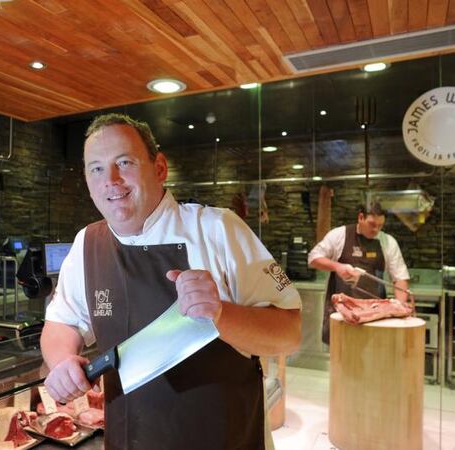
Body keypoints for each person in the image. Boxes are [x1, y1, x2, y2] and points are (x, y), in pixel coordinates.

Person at [40, 113, 301, 450]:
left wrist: (221, 314)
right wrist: (62, 364)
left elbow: (289, 333)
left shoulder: (218, 229)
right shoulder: (87, 244)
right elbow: (62, 322)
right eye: (97, 168)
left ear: (159, 168)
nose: (111, 180)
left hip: (224, 438)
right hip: (127, 438)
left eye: (124, 162)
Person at [307, 202, 411, 344]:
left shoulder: (388, 242)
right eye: (372, 224)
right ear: (360, 217)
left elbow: (400, 278)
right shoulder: (339, 235)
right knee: (342, 360)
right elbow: (313, 258)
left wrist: (399, 307)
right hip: (342, 314)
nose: (376, 230)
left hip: (375, 317)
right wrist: (337, 266)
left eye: (380, 225)